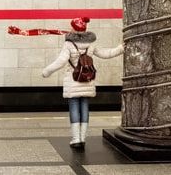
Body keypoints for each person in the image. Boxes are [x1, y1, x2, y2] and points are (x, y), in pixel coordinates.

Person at [41, 16, 123, 149]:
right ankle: (83, 138)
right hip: (87, 80)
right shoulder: (91, 44)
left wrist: (47, 71)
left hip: (73, 80)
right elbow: (106, 54)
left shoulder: (69, 44)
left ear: (74, 28)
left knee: (74, 107)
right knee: (84, 107)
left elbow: (60, 62)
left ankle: (76, 139)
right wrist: (120, 48)